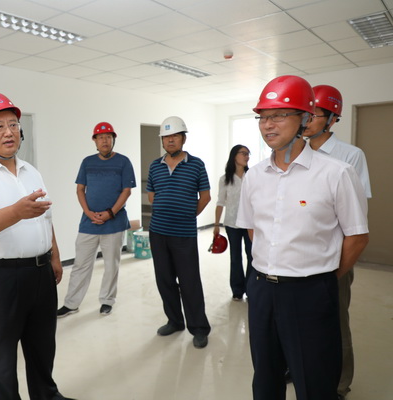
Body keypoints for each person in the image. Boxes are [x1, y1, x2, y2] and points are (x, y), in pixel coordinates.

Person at [237, 75, 369, 400]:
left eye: (279, 115)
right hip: (261, 289)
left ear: (306, 119)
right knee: (265, 378)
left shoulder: (336, 173)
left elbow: (356, 236)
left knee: (315, 381)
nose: (268, 125)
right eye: (263, 117)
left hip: (311, 291)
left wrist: (323, 279)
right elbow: (253, 230)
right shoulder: (254, 176)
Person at [0, 92, 75, 400]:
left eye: (13, 124)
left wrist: (54, 255)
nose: (8, 132)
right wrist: (15, 213)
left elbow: (45, 216)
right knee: (1, 357)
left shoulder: (32, 171)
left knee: (42, 346)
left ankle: (46, 395)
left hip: (40, 273)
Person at [303, 84, 371, 400]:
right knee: (299, 320)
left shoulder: (350, 156)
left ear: (332, 119)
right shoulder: (295, 152)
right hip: (300, 254)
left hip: (333, 254)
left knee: (335, 322)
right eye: (304, 114)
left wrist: (341, 266)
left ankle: (340, 383)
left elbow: (356, 217)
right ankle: (300, 368)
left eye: (314, 115)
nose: (306, 121)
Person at [57, 122, 136, 318]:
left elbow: (126, 191)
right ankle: (71, 304)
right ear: (95, 140)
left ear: (113, 139)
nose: (105, 141)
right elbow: (80, 190)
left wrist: (110, 213)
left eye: (108, 137)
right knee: (81, 265)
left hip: (114, 222)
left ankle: (107, 301)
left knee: (111, 265)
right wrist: (88, 212)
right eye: (101, 137)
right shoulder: (87, 162)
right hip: (89, 222)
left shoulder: (123, 162)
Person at [146, 116, 212, 349]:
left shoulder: (196, 164)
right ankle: (175, 321)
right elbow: (151, 196)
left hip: (184, 233)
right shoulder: (155, 166)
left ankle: (199, 328)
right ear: (162, 140)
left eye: (174, 136)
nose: (170, 140)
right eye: (166, 137)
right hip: (158, 232)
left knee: (189, 281)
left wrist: (187, 214)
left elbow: (205, 196)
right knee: (164, 280)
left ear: (183, 138)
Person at [213, 145, 253, 301]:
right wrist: (216, 225)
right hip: (232, 224)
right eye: (244, 153)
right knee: (235, 257)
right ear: (234, 156)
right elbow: (220, 202)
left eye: (248, 154)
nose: (247, 156)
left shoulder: (252, 177)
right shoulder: (225, 179)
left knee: (252, 256)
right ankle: (237, 290)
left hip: (250, 224)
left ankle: (251, 289)